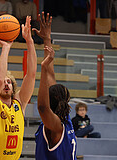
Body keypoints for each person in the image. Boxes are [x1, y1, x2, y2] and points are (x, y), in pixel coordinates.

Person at [0, 15, 37, 160]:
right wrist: (6, 47)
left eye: (10, 82)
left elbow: (31, 74)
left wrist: (29, 42)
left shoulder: (20, 103)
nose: (6, 84)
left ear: (13, 88)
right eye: (4, 82)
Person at [34, 12, 77, 160]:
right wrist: (47, 39)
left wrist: (43, 68)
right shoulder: (65, 118)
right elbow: (51, 76)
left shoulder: (56, 125)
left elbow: (42, 107)